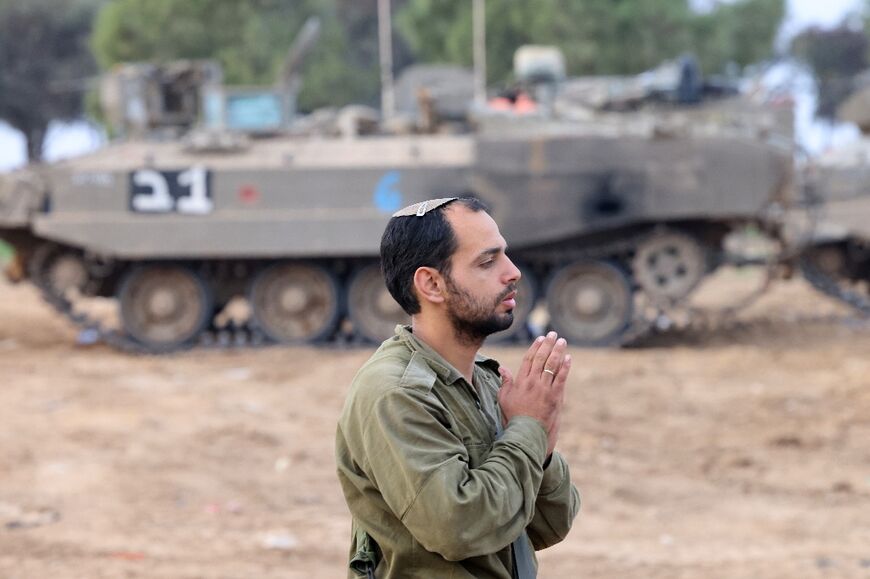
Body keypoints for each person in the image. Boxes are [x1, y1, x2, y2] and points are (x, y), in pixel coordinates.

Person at [335, 197, 580, 578]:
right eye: (487, 261)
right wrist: (528, 428)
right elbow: (459, 527)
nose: (513, 272)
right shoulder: (395, 393)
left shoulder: (485, 379)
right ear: (431, 284)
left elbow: (548, 524)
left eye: (506, 256)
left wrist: (540, 443)